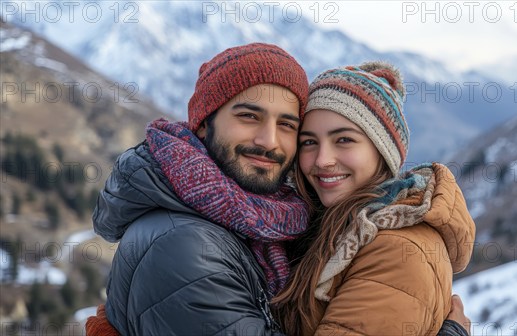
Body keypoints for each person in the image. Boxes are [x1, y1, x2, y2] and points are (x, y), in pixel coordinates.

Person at [86, 44, 472, 335]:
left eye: (287, 125)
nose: (269, 141)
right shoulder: (189, 245)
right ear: (203, 124)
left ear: (383, 153)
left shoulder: (382, 244)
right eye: (249, 116)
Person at [272, 62, 476, 335]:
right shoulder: (328, 226)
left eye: (344, 139)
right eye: (309, 142)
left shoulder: (395, 249)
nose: (323, 160)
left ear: (382, 151)